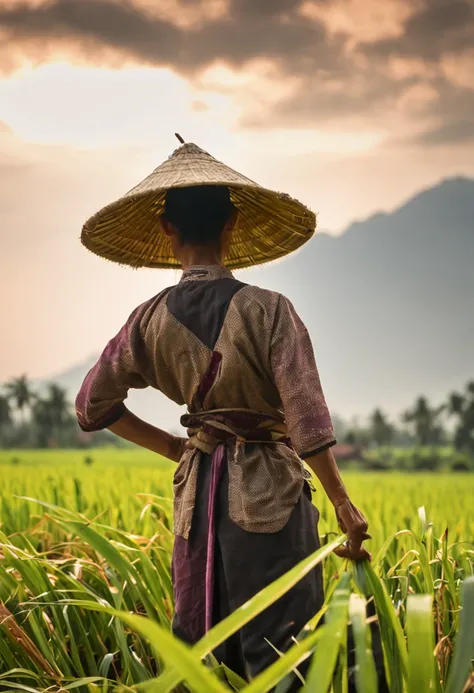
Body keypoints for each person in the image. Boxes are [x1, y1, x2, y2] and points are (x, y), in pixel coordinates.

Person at [75, 140, 371, 689]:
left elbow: (92, 404)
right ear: (233, 224)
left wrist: (174, 448)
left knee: (200, 650)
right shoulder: (269, 309)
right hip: (268, 494)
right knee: (283, 652)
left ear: (166, 231)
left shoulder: (146, 322)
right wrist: (344, 504)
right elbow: (307, 419)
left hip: (196, 496)